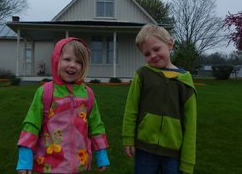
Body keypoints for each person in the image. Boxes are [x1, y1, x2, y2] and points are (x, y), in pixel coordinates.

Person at [16, 37, 110, 174]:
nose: (73, 65)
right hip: (49, 166)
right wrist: (25, 158)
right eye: (67, 59)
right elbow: (31, 125)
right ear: (56, 60)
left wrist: (101, 154)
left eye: (79, 62)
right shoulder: (45, 92)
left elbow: (96, 125)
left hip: (78, 166)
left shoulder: (87, 94)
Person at [122, 24, 197, 174]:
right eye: (147, 54)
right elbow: (131, 109)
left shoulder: (185, 81)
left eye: (156, 49)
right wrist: (128, 138)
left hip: (173, 152)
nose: (153, 56)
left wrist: (188, 161)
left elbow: (191, 125)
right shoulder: (142, 75)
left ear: (169, 44)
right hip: (145, 149)